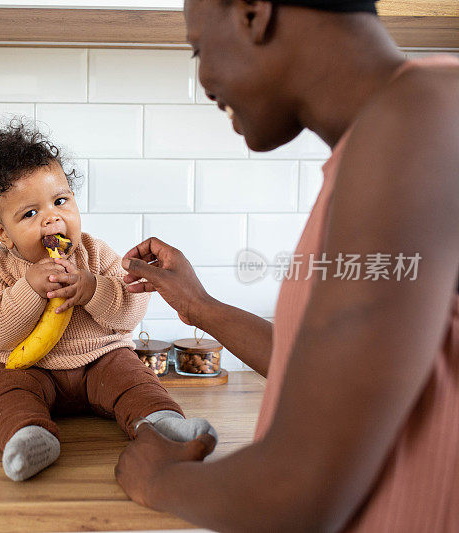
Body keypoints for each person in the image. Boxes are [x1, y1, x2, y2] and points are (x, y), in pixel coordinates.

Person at [115, 0, 459, 530]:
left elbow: (300, 491)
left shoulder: (414, 118)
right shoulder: (401, 124)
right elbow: (329, 378)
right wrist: (200, 307)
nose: (205, 80)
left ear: (255, 12)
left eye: (200, 49)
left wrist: (160, 481)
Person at [0, 121, 217, 482]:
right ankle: (27, 437)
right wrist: (28, 290)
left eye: (60, 201)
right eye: (30, 213)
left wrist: (95, 288)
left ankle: (163, 424)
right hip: (29, 369)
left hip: (102, 361)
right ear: (3, 233)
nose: (52, 216)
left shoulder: (94, 254)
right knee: (1, 391)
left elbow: (130, 313)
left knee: (135, 379)